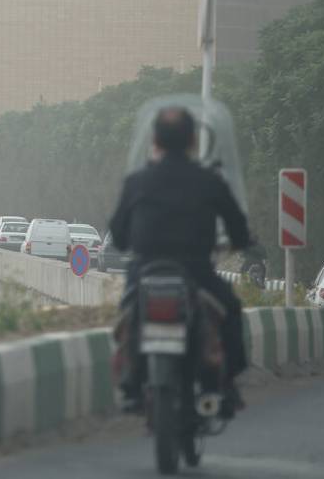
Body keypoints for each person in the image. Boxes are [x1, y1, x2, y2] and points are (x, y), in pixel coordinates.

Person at [109, 107, 251, 416]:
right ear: (192, 141)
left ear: (155, 140)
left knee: (126, 316)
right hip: (196, 272)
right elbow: (238, 229)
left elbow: (118, 235)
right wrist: (239, 242)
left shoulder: (137, 181)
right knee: (230, 310)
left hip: (144, 272)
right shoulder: (208, 181)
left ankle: (130, 384)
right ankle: (224, 384)